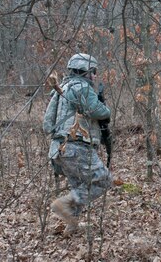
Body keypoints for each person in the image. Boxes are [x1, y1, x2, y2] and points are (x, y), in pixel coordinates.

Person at [43, 53, 112, 236]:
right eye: (94, 71)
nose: (95, 75)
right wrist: (107, 110)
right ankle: (63, 204)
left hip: (58, 148)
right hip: (75, 146)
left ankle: (71, 226)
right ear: (85, 71)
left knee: (79, 185)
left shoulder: (63, 88)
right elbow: (99, 111)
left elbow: (47, 124)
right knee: (103, 179)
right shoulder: (81, 87)